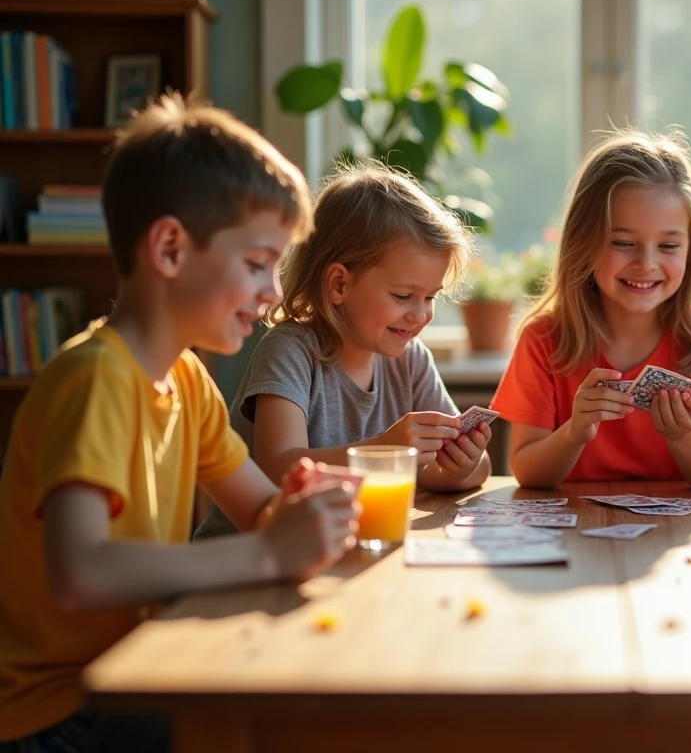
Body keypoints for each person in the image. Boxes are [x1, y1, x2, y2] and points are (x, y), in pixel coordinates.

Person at [0, 95, 359, 751]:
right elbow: (78, 574)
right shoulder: (95, 380)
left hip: (137, 668)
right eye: (256, 264)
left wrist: (301, 508)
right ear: (169, 248)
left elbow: (261, 513)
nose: (274, 292)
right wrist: (269, 550)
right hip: (57, 712)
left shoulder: (188, 381)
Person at [195, 160, 487, 538]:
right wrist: (384, 450)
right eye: (403, 296)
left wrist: (464, 466)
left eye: (431, 296)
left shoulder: (411, 360)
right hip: (246, 562)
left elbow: (456, 472)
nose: (420, 315)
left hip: (335, 550)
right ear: (339, 285)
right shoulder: (290, 351)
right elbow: (279, 468)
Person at [492, 130, 691, 487]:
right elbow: (527, 471)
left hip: (676, 536)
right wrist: (574, 432)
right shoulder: (543, 339)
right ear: (584, 242)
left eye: (668, 246)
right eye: (623, 242)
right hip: (573, 533)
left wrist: (683, 434)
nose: (646, 263)